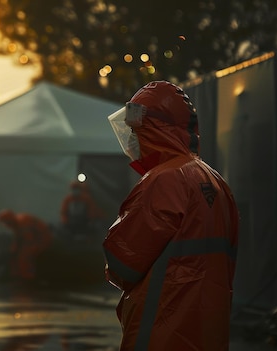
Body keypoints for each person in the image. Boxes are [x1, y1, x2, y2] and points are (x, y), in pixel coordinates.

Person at [102, 81, 239, 350]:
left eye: (136, 131)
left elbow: (122, 265)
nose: (132, 140)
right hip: (207, 337)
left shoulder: (164, 180)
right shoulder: (217, 183)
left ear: (154, 130)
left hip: (160, 336)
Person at [0, 209, 53, 282]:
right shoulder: (16, 223)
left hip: (42, 239)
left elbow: (28, 240)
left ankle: (28, 278)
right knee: (14, 256)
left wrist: (17, 250)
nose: (6, 226)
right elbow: (17, 239)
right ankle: (15, 276)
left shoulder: (22, 222)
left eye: (6, 223)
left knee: (24, 256)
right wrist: (12, 251)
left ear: (9, 220)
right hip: (35, 239)